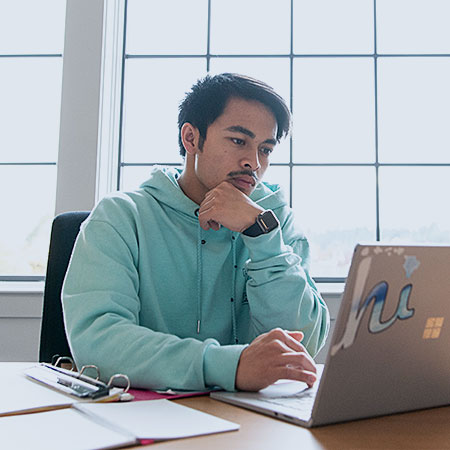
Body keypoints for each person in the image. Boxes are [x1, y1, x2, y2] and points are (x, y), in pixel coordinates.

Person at [62, 73, 329, 392]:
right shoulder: (121, 217)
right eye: (238, 141)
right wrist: (230, 366)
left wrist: (261, 235)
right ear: (191, 138)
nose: (253, 163)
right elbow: (99, 342)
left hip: (252, 422)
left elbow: (302, 346)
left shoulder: (275, 221)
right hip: (144, 418)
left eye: (266, 149)